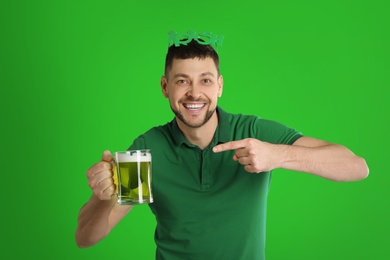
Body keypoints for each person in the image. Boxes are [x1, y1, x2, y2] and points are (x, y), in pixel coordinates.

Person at [75, 32, 369, 260]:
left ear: (219, 86)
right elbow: (86, 237)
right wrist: (103, 198)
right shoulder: (149, 150)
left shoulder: (251, 131)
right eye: (182, 81)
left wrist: (277, 155)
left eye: (205, 80)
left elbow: (356, 166)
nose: (194, 93)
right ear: (166, 87)